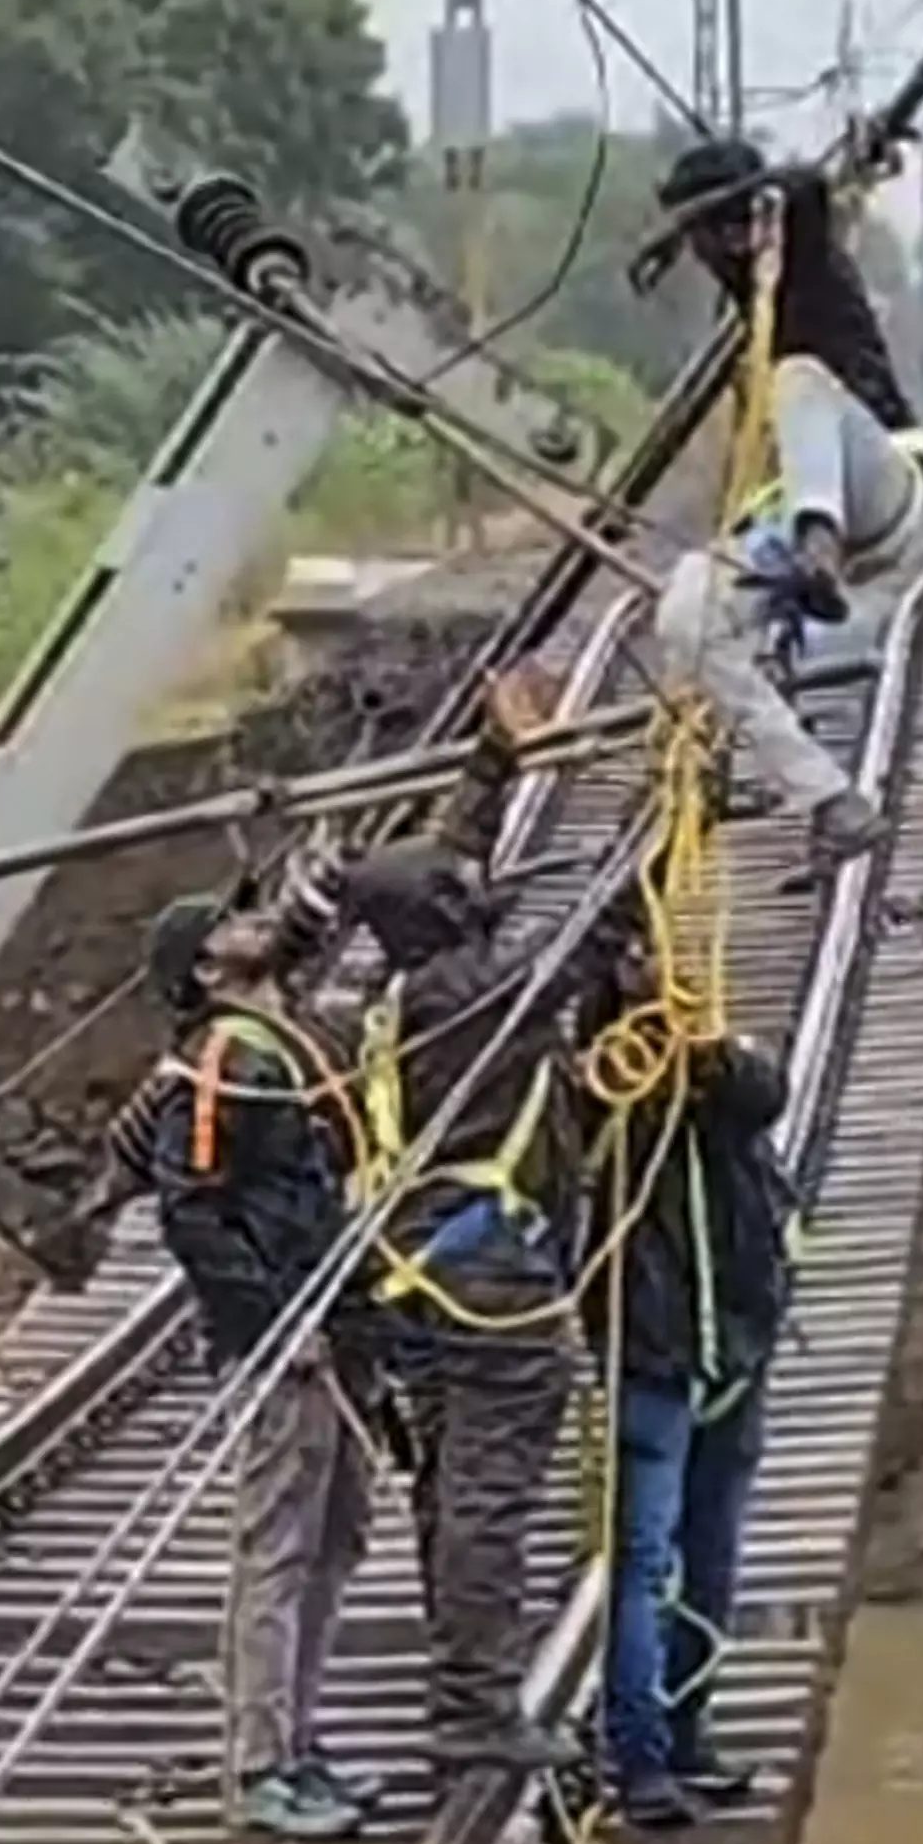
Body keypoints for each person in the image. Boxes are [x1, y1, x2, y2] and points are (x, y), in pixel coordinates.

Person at [329, 672, 644, 1776]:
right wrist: (671, 804)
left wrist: (494, 764)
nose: (479, 890)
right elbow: (584, 946)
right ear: (453, 916)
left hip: (413, 1269)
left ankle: (459, 1681)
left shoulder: (393, 987)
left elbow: (426, 874)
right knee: (489, 1496)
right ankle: (472, 1711)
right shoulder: (479, 999)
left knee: (447, 1478)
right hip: (493, 1281)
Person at [102, 874, 384, 1841]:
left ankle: (298, 1745)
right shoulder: (222, 1058)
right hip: (287, 1340)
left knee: (339, 1536)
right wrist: (273, 1326)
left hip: (337, 1324)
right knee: (278, 1545)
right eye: (228, 919)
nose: (254, 919)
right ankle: (259, 1765)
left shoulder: (285, 1034)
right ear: (207, 966)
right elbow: (191, 1207)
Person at [633, 133, 923, 874]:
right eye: (698, 239)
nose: (708, 249)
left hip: (882, 487)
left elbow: (802, 186)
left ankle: (817, 553)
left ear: (743, 217)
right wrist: (669, 244)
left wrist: (740, 206)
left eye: (708, 232)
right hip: (803, 506)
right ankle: (833, 799)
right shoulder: (744, 285)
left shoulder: (801, 246)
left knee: (800, 377)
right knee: (685, 615)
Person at [585, 1016, 798, 1830]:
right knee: (645, 1562)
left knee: (708, 1555)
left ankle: (682, 1731)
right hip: (656, 1359)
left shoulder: (722, 1083)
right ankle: (640, 1754)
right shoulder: (613, 1086)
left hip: (730, 1358)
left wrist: (702, 1050)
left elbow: (761, 1093)